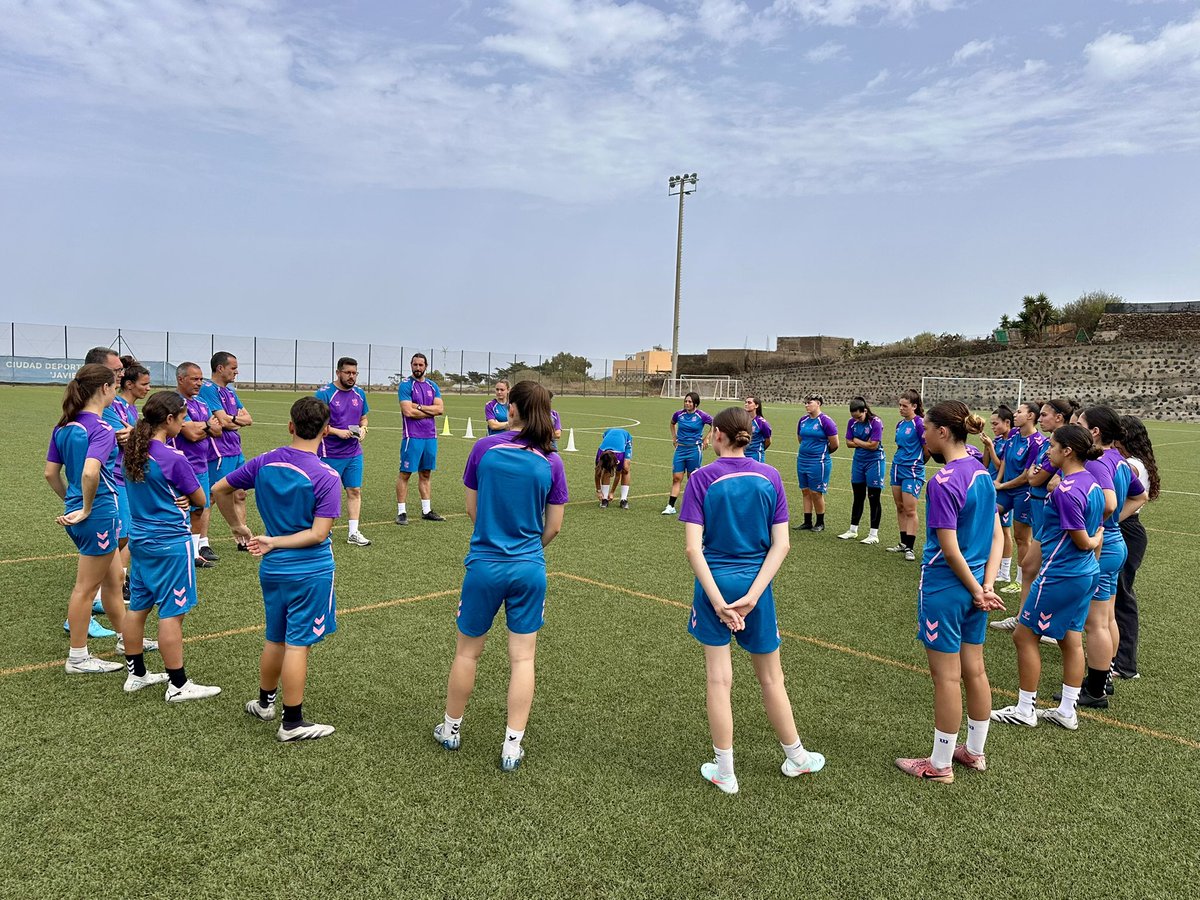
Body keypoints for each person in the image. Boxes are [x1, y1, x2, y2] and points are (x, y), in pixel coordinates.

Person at [682, 407, 825, 794]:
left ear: (719, 437)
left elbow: (694, 551)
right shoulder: (770, 476)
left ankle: (725, 770)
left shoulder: (700, 479)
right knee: (771, 677)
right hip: (755, 586)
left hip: (715, 583)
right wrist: (752, 596)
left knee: (718, 679)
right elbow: (782, 544)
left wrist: (717, 602)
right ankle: (797, 756)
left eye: (713, 433)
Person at [433, 381, 567, 771]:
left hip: (484, 565)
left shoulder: (484, 449)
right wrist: (526, 549)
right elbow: (554, 526)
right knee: (523, 659)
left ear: (512, 409)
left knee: (466, 652)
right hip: (529, 568)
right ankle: (512, 746)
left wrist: (494, 536)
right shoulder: (551, 461)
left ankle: (451, 729)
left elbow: (472, 508)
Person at [213, 397, 343, 741]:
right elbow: (319, 533)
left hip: (272, 570)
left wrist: (237, 526)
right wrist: (273, 541)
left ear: (290, 425)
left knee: (275, 637)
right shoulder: (327, 476)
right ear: (327, 431)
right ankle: (292, 722)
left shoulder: (264, 462)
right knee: (298, 644)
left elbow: (219, 489)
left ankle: (264, 703)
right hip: (310, 571)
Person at [895, 401, 1003, 783]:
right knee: (975, 670)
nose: (922, 434)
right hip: (976, 589)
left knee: (946, 677)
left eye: (926, 428)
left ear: (943, 432)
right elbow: (996, 535)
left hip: (947, 588)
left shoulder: (943, 481)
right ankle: (973, 753)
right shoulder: (981, 471)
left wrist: (977, 589)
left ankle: (939, 765)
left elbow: (950, 547)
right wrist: (987, 585)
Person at [990, 424, 1105, 730]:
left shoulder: (1066, 490)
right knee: (1070, 638)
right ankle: (1067, 710)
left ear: (1067, 451)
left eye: (1053, 446)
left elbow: (1082, 539)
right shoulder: (1090, 482)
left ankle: (1025, 708)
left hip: (1060, 574)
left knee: (1024, 635)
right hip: (1083, 574)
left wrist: (1093, 541)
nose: (1048, 451)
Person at [121, 391, 221, 701]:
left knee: (138, 607)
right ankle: (178, 685)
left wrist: (177, 495)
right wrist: (185, 496)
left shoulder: (131, 452)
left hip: (140, 540)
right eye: (182, 417)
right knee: (171, 614)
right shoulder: (173, 457)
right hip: (170, 542)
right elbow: (202, 501)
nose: (185, 422)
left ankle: (136, 674)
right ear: (169, 420)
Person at [45, 364, 129, 674]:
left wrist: (72, 500)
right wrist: (86, 506)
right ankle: (78, 657)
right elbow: (91, 471)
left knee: (114, 579)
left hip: (83, 513)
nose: (115, 391)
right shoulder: (100, 428)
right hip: (98, 513)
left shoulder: (63, 427)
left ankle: (126, 639)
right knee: (85, 588)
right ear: (105, 389)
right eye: (114, 386)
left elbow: (50, 474)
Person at [1074, 406, 1147, 707]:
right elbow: (1140, 495)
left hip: (1103, 546)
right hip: (1116, 541)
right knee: (1106, 617)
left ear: (1095, 432)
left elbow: (1108, 502)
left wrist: (1100, 525)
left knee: (1095, 623)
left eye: (1080, 424)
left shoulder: (1097, 462)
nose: (1075, 427)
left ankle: (1095, 689)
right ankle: (1103, 679)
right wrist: (1116, 521)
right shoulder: (1121, 461)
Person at [1113, 415, 1159, 680]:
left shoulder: (1129, 465)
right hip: (1129, 528)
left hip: (1127, 529)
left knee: (1122, 597)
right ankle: (1113, 654)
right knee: (1115, 595)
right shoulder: (1137, 462)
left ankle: (1125, 664)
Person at [198, 351, 254, 552]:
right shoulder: (208, 389)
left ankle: (242, 539)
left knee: (240, 493)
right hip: (218, 450)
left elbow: (249, 418)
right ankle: (202, 543)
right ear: (220, 368)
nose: (236, 372)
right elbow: (221, 421)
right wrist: (233, 420)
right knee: (212, 495)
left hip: (235, 449)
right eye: (233, 368)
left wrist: (233, 420)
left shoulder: (230, 392)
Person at [168, 362, 222, 567]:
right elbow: (190, 435)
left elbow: (219, 430)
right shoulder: (175, 402)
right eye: (194, 379)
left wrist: (205, 427)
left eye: (201, 379)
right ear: (181, 379)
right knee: (179, 510)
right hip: (181, 466)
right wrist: (208, 426)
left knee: (200, 508)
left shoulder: (202, 403)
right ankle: (176, 552)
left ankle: (193, 553)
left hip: (201, 464)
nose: (199, 383)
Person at [315, 357, 372, 546]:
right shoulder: (324, 394)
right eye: (347, 372)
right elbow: (316, 423)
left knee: (354, 490)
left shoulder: (360, 394)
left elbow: (363, 418)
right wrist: (336, 431)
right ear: (338, 372)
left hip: (354, 453)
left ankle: (353, 532)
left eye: (354, 373)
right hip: (328, 453)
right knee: (326, 493)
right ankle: (322, 529)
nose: (351, 376)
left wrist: (363, 429)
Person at [992, 401, 1040, 597]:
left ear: (1030, 416)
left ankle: (1020, 580)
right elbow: (1003, 461)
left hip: (1023, 493)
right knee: (988, 516)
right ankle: (994, 568)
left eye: (1019, 412)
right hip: (1005, 489)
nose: (1015, 414)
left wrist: (1002, 485)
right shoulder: (1012, 436)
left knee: (1021, 537)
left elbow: (1027, 476)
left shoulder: (1037, 442)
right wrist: (998, 480)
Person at [395, 353, 445, 525]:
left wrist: (419, 407)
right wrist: (428, 411)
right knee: (406, 473)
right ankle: (401, 512)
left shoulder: (433, 386)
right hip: (412, 437)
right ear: (411, 365)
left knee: (426, 473)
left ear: (426, 366)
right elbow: (408, 411)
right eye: (415, 365)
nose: (418, 368)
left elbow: (440, 409)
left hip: (430, 437)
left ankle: (426, 510)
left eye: (421, 365)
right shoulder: (405, 386)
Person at [839, 396, 885, 544]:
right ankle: (853, 530)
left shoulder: (875, 422)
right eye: (854, 417)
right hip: (858, 461)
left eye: (859, 416)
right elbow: (848, 443)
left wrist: (857, 441)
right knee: (858, 496)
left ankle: (873, 534)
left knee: (873, 497)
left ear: (865, 410)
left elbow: (874, 446)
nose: (856, 419)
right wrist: (864, 442)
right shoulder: (852, 423)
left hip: (874, 462)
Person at [888, 389, 927, 560]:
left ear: (914, 406)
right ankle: (903, 542)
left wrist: (917, 463)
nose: (901, 409)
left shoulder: (919, 423)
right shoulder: (900, 424)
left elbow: (927, 449)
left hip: (912, 470)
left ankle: (910, 548)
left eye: (905, 406)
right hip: (897, 467)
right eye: (900, 405)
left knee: (911, 509)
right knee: (900, 506)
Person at [980, 406, 1014, 588]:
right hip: (991, 487)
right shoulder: (998, 440)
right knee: (991, 528)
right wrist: (987, 447)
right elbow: (986, 465)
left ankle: (1005, 572)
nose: (993, 427)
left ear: (1007, 423)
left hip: (1004, 490)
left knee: (1005, 531)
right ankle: (994, 565)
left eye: (995, 423)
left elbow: (1001, 464)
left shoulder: (1011, 442)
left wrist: (991, 448)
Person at [662, 392, 713, 516]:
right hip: (680, 450)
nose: (687, 403)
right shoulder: (679, 414)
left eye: (690, 402)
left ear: (695, 403)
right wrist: (674, 437)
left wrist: (707, 438)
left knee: (692, 478)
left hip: (694, 450)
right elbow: (672, 423)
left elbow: (714, 424)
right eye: (686, 401)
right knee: (676, 478)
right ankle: (671, 506)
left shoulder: (702, 415)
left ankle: (696, 505)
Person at [794, 394, 839, 532]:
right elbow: (800, 439)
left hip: (818, 462)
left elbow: (835, 444)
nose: (806, 405)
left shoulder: (825, 421)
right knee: (805, 491)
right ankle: (807, 521)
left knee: (816, 492)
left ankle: (820, 522)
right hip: (802, 460)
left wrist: (821, 453)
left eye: (809, 402)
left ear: (818, 403)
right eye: (805, 403)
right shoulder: (803, 420)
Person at [595, 428, 633, 509]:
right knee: (606, 470)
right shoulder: (600, 455)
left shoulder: (620, 456)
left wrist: (612, 492)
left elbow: (617, 475)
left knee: (625, 468)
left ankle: (623, 499)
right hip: (608, 434)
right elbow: (597, 474)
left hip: (625, 438)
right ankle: (604, 499)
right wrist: (598, 491)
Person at [744, 395, 772, 464]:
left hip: (755, 455)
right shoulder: (742, 420)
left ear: (756, 406)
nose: (746, 404)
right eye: (746, 402)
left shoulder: (762, 423)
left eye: (749, 403)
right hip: (742, 455)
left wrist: (759, 449)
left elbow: (768, 441)